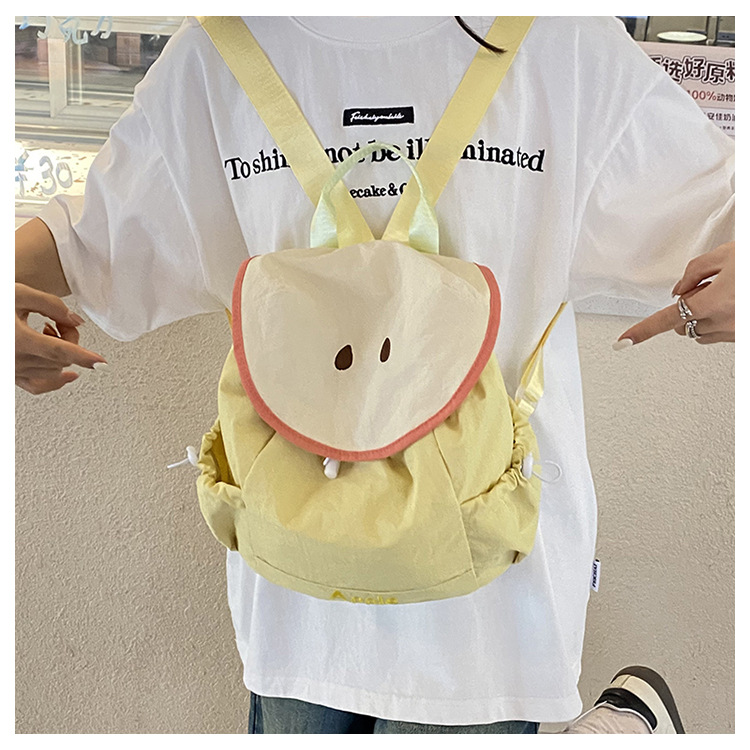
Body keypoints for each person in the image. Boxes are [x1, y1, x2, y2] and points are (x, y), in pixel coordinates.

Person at [15, 16, 734, 733]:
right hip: (298, 575)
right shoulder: (217, 53)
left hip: (486, 601)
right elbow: (91, 238)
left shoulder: (564, 43)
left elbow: (718, 205)